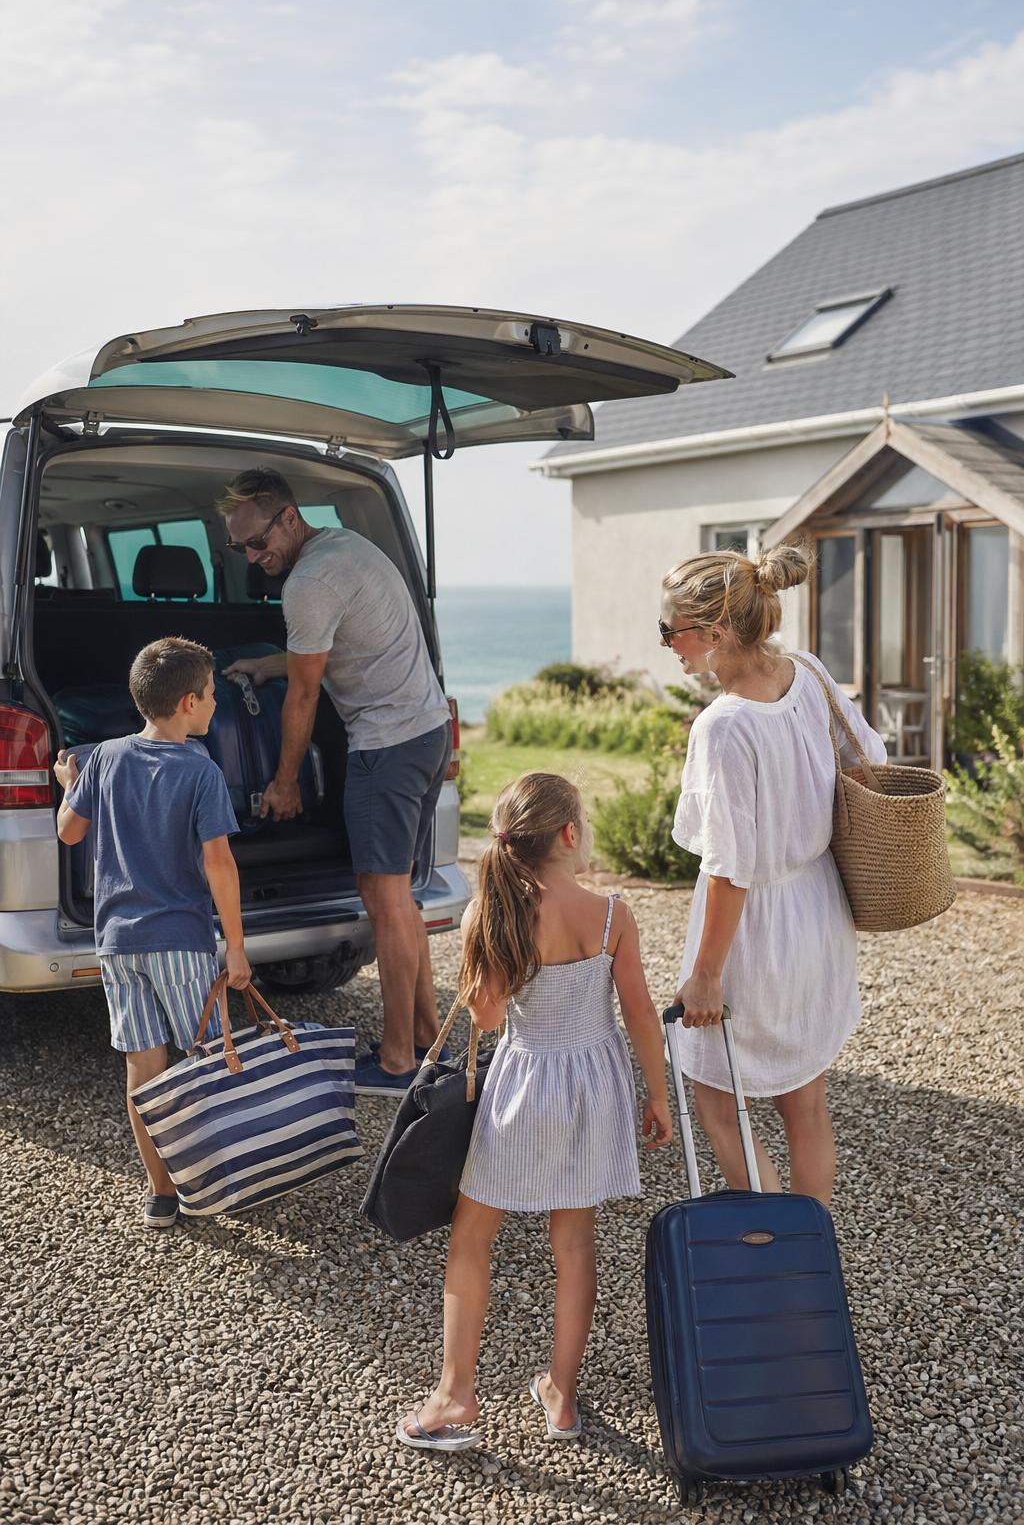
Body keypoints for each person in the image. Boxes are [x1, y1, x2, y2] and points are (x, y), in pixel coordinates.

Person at [398, 773, 672, 1452]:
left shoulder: (495, 914)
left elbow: (487, 1018)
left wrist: (475, 961)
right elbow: (639, 1013)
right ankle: (561, 1397)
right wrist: (659, 1093)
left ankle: (456, 1397)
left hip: (524, 1088)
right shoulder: (612, 916)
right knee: (575, 1247)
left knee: (472, 1239)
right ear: (570, 835)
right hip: (595, 1086)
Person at [659, 543, 887, 1207]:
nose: (668, 643)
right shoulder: (808, 672)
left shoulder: (724, 727)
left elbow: (730, 869)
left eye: (671, 630)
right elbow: (866, 755)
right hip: (818, 909)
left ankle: (774, 1250)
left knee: (717, 1099)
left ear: (716, 632)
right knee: (805, 1101)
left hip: (755, 932)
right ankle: (811, 1255)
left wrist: (704, 974)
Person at [216, 469, 452, 1098]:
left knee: (386, 901)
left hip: (386, 746)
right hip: (428, 731)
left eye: (259, 543)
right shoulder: (346, 546)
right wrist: (264, 663)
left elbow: (306, 690)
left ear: (289, 518)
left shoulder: (309, 580)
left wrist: (285, 780)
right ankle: (427, 1038)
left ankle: (399, 1060)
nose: (253, 558)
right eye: (240, 549)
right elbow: (331, 650)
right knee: (400, 899)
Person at [54, 637, 251, 1229]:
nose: (217, 705)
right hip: (180, 940)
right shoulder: (201, 770)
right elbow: (219, 863)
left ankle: (160, 1192)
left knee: (144, 1068)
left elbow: (68, 833)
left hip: (116, 941)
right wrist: (235, 946)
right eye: (213, 695)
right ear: (189, 702)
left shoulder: (105, 758)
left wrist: (72, 786)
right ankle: (219, 1177)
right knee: (211, 1058)